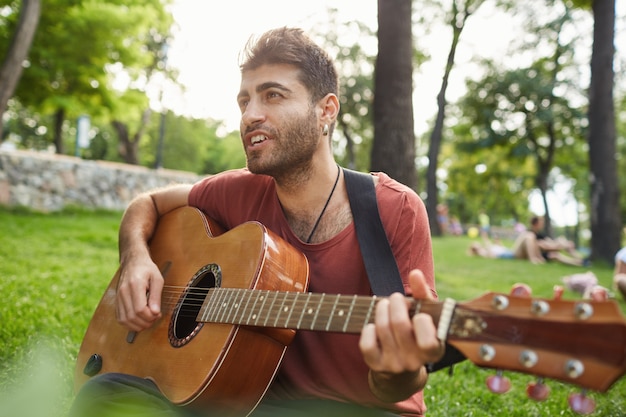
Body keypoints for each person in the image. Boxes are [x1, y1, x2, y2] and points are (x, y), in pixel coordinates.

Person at [70, 27, 444, 417]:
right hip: (244, 399)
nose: (250, 115)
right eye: (243, 101)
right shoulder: (239, 190)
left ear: (326, 110)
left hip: (355, 409)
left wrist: (394, 373)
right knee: (107, 392)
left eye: (273, 95)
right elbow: (146, 203)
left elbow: (402, 383)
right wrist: (135, 260)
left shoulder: (393, 209)